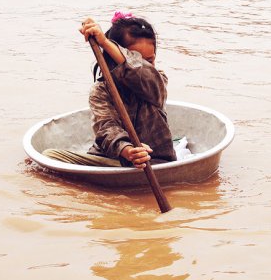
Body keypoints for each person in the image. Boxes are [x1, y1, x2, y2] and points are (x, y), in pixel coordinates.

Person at [43, 11, 176, 170]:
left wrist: (105, 43)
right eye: (134, 58)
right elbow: (107, 130)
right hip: (113, 162)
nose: (143, 65)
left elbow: (141, 73)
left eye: (149, 61)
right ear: (113, 59)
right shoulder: (101, 90)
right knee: (49, 157)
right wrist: (128, 151)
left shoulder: (157, 81)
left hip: (155, 162)